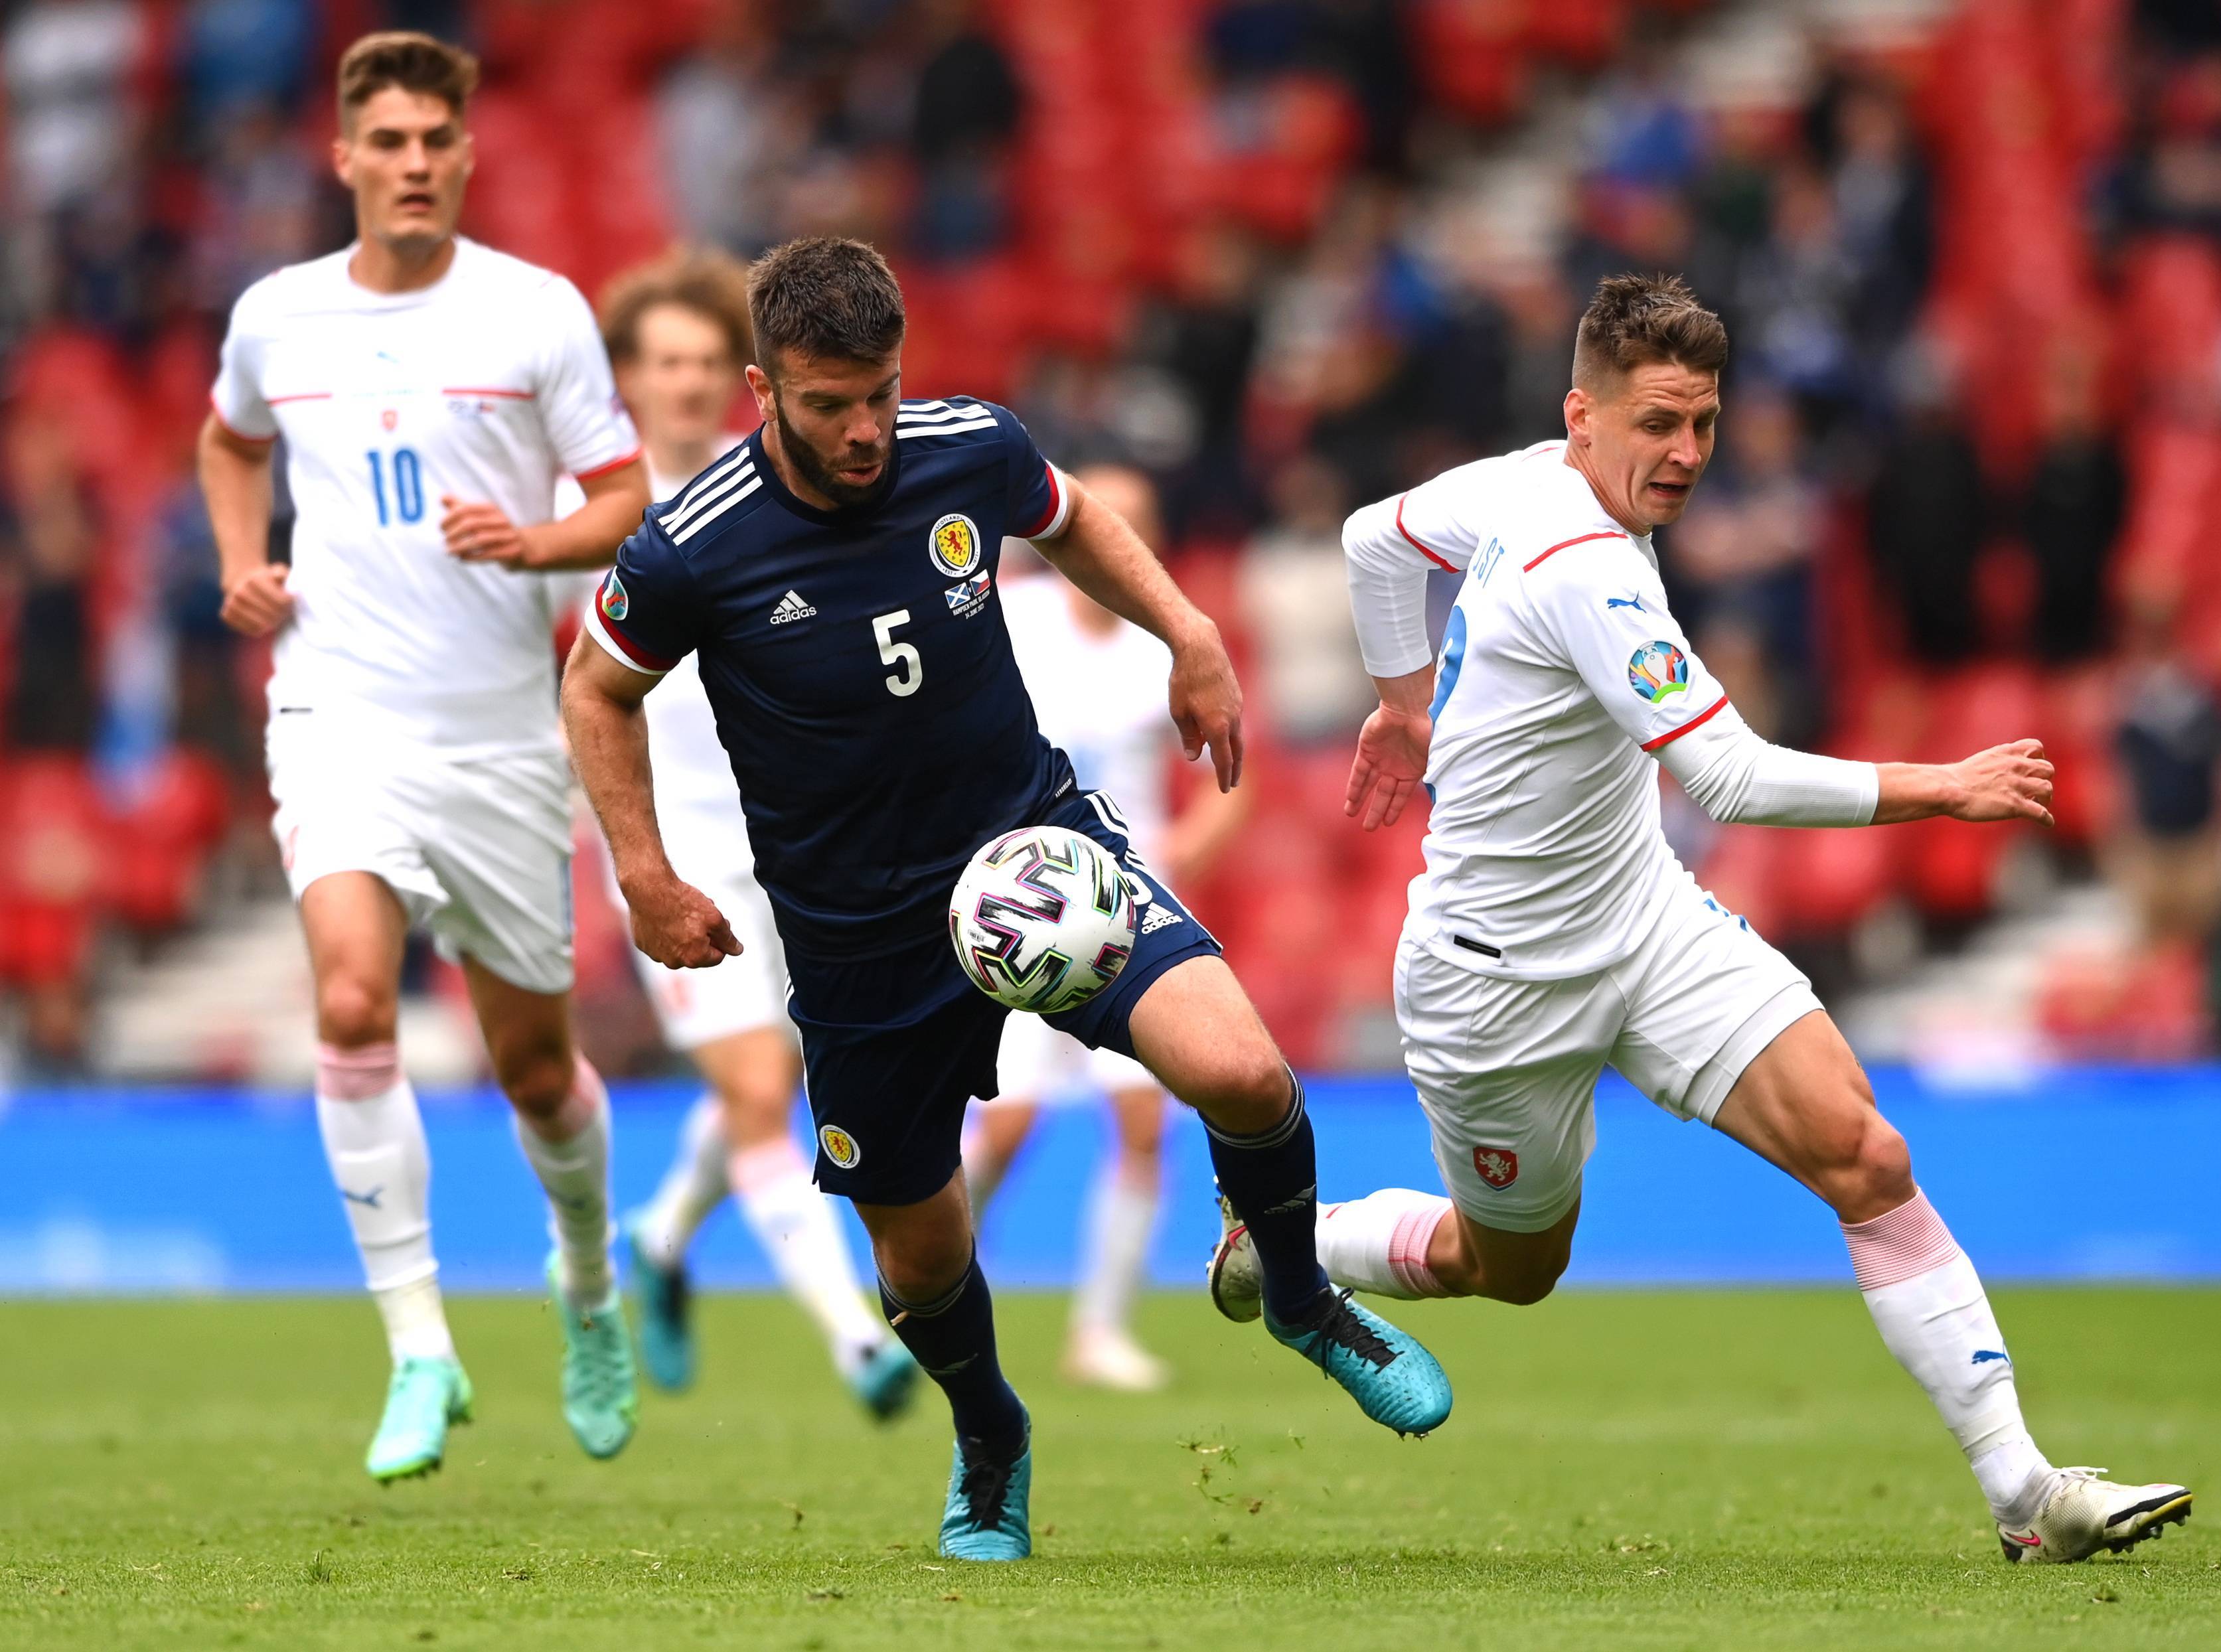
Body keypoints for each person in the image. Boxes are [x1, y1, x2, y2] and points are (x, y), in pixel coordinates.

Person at [1213, 273, 2192, 1566]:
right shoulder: (1581, 566)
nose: (1684, 456)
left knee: (1869, 1160)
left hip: (1644, 921)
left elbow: (1372, 540)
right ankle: (1280, 1252)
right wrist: (1941, 785)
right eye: (1658, 425)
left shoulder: (1518, 484)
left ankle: (2028, 1495)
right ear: (1583, 415)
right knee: (1506, 1268)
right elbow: (1727, 777)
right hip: (1497, 982)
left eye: (1705, 426)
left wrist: (1405, 702)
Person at [562, 237, 1450, 1563]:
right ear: (763, 390)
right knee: (921, 1262)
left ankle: (1305, 1298)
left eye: (879, 394)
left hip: (1036, 854)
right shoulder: (696, 548)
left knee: (1246, 1074)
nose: (863, 431)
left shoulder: (968, 445)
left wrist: (1188, 633)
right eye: (827, 404)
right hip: (856, 936)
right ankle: (991, 1435)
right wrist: (642, 872)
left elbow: (1075, 517)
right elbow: (597, 687)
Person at [197, 32, 652, 1482]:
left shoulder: (536, 315)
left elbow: (628, 497)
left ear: (466, 156)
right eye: (384, 142)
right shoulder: (278, 316)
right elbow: (227, 443)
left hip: (502, 739)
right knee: (348, 997)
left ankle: (585, 1283)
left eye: (433, 144)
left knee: (533, 1071)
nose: (411, 166)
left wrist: (537, 542)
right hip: (338, 714)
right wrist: (241, 565)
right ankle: (418, 1348)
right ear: (343, 156)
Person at [583, 248, 917, 1415]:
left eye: (696, 365)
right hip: (686, 859)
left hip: (808, 841)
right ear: (622, 378)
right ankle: (856, 1340)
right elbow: (570, 687)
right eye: (656, 363)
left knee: (776, 1086)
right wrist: (626, 859)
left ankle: (666, 1236)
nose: (680, 386)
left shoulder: (774, 500)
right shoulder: (583, 527)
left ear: (740, 378)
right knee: (763, 1091)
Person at [961, 464, 1253, 1392]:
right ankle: (928, 1281)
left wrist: (1167, 861)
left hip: (1122, 913)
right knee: (1006, 1131)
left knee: (1141, 1126)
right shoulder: (1013, 616)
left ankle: (1098, 1330)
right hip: (1021, 914)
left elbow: (1234, 785)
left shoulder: (1159, 649)